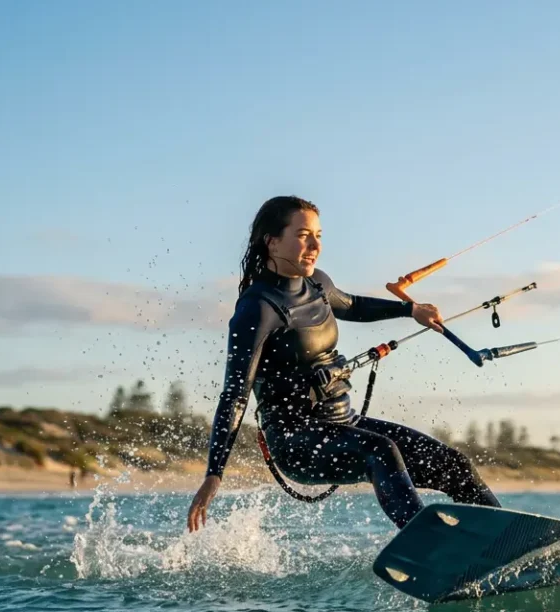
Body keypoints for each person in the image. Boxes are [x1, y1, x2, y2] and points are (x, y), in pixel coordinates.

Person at [186, 196, 500, 532]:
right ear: (272, 242)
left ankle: (506, 537)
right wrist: (214, 474)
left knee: (453, 464)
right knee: (381, 450)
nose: (315, 246)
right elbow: (235, 394)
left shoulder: (317, 283)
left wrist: (410, 310)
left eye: (318, 236)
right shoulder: (258, 308)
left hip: (345, 423)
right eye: (303, 235)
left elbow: (351, 305)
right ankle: (427, 543)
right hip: (296, 440)